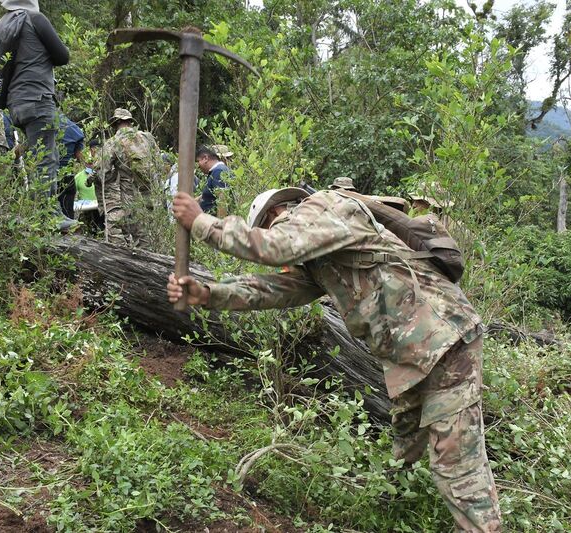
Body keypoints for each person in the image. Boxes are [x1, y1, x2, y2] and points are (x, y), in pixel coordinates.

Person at [167, 187, 502, 532]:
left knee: (457, 464)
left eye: (270, 225)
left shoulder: (324, 206)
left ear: (276, 212)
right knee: (409, 434)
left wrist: (201, 222)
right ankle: (395, 509)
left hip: (444, 337)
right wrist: (209, 294)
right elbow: (272, 291)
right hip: (414, 353)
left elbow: (276, 247)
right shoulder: (320, 258)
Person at [0, 0, 75, 231]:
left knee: (38, 158)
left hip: (14, 105)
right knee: (47, 158)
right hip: (37, 98)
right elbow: (63, 56)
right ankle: (46, 218)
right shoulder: (34, 19)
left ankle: (40, 215)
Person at [92, 108, 162, 247]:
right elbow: (159, 163)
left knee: (138, 232)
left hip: (131, 194)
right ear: (130, 122)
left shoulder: (113, 142)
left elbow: (101, 171)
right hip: (152, 192)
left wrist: (94, 179)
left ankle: (144, 263)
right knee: (152, 229)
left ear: (115, 124)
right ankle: (156, 256)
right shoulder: (147, 137)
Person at [57, 115, 84, 219]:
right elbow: (79, 156)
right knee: (67, 213)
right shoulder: (74, 128)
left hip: (47, 175)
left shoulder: (44, 125)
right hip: (67, 175)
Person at [196, 146, 231, 214]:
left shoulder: (218, 171)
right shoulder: (216, 171)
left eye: (198, 161)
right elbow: (210, 195)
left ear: (206, 158)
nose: (198, 165)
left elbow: (222, 201)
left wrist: (220, 223)